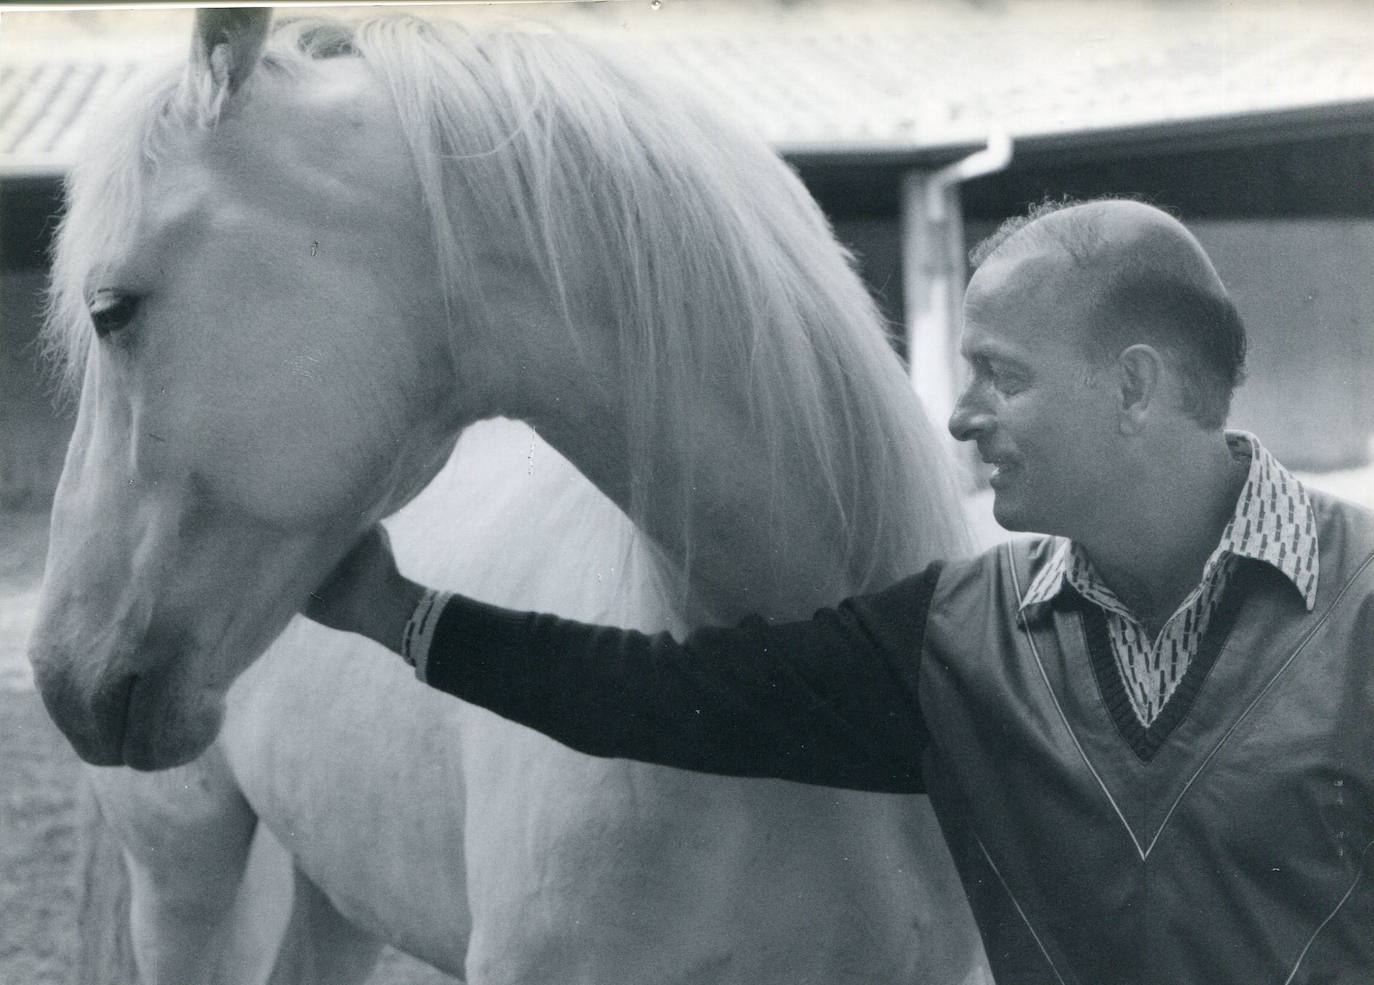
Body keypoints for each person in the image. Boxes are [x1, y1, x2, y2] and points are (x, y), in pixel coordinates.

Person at [304, 199, 1374, 983]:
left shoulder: (1363, 606)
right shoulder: (969, 636)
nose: (961, 417)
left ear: (1133, 387)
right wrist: (398, 614)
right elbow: (662, 693)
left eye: (1003, 375)